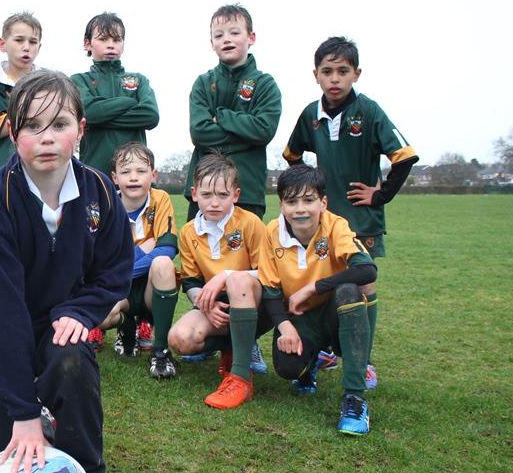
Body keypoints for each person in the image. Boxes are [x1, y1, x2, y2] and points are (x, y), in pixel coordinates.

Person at [0, 70, 132, 473]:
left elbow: (116, 270)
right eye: (32, 127)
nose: (47, 138)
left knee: (72, 358)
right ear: (13, 135)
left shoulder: (100, 191)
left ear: (81, 128)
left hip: (59, 328)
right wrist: (22, 414)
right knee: (20, 464)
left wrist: (81, 311)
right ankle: (39, 420)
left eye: (59, 124)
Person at [283, 36, 418, 389]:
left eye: (343, 71)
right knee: (322, 281)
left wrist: (381, 194)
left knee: (363, 281)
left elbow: (404, 156)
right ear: (315, 75)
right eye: (327, 71)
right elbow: (291, 155)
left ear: (356, 74)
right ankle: (325, 348)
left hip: (359, 218)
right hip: (321, 221)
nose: (335, 79)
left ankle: (365, 360)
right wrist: (311, 188)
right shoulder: (311, 114)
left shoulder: (369, 111)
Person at [259, 165, 377, 436]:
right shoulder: (272, 231)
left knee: (349, 288)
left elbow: (368, 269)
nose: (300, 209)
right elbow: (269, 288)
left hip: (336, 313)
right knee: (287, 368)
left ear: (323, 203)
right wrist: (285, 327)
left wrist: (313, 287)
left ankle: (354, 397)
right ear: (282, 205)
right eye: (292, 201)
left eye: (308, 200)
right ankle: (310, 364)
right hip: (301, 318)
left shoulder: (336, 225)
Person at [169, 153, 272, 409]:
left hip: (253, 300)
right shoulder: (188, 231)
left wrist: (226, 276)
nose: (214, 203)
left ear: (235, 195)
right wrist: (206, 305)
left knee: (237, 282)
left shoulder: (251, 223)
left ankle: (240, 377)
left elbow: (270, 274)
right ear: (194, 194)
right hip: (214, 304)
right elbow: (191, 281)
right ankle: (231, 349)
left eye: (223, 195)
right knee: (180, 339)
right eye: (207, 195)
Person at [89, 142, 179, 380]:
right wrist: (145, 250)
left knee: (163, 264)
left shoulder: (160, 199)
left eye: (141, 171)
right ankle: (127, 327)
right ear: (114, 178)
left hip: (147, 286)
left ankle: (161, 352)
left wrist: (127, 262)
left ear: (153, 174)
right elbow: (97, 259)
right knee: (101, 315)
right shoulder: (105, 204)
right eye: (126, 171)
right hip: (120, 288)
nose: (133, 177)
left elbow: (168, 248)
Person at [185, 4, 281, 221]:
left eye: (235, 32)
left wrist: (221, 116)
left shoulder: (265, 84)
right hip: (204, 191)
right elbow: (199, 133)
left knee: (245, 254)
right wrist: (247, 136)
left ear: (251, 37)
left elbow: (263, 130)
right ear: (212, 43)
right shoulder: (203, 83)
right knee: (200, 253)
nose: (226, 39)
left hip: (247, 191)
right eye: (219, 35)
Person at [70, 12, 159, 177]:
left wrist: (102, 118)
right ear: (87, 43)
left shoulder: (139, 80)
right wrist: (129, 102)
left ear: (123, 44)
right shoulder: (78, 80)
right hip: (93, 173)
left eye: (117, 40)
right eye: (103, 39)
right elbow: (89, 113)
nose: (111, 45)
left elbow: (151, 116)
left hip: (133, 176)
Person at [0, 12, 43, 171]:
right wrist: (39, 109)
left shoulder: (49, 81)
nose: (26, 47)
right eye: (19, 40)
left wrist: (15, 110)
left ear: (39, 47)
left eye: (33, 42)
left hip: (42, 166)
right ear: (2, 44)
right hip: (5, 168)